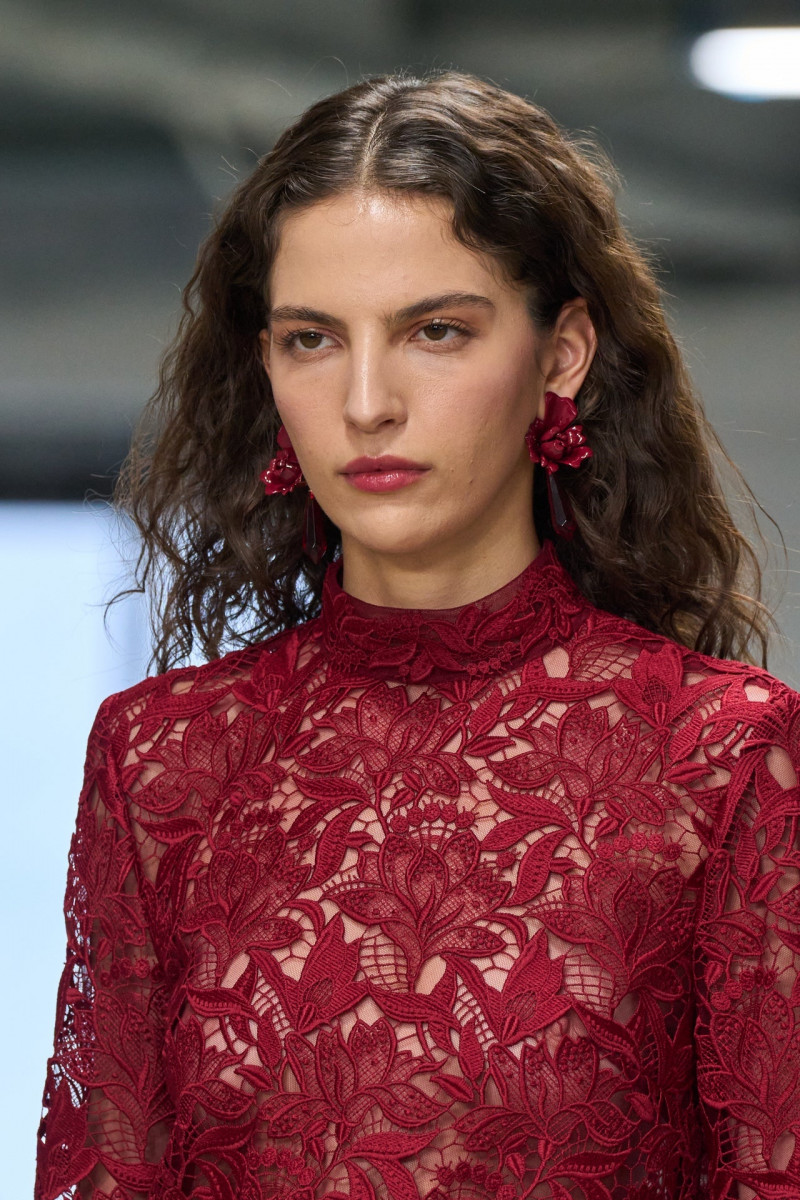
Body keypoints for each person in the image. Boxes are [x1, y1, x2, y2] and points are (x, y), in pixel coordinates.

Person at [35, 70, 800, 1200]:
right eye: (311, 339)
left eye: (435, 331)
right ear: (265, 364)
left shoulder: (722, 758)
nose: (367, 402)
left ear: (561, 353)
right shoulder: (162, 765)